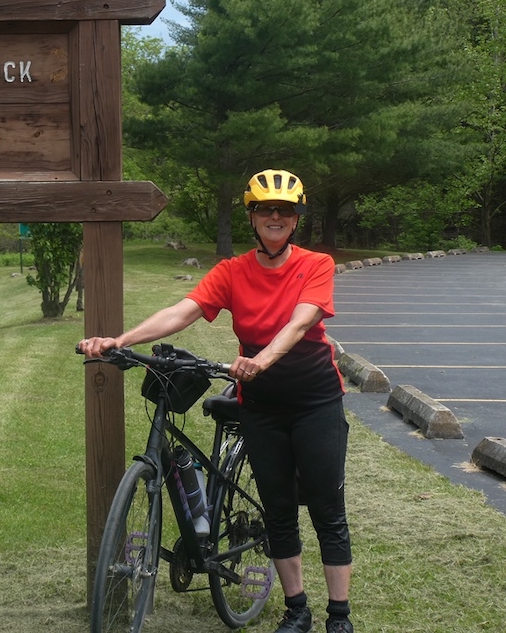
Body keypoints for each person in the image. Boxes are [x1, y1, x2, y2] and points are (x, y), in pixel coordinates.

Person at [78, 169, 353, 633]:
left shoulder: (315, 264)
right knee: (278, 510)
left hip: (315, 402)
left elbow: (301, 322)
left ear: (296, 219)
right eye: (265, 209)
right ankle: (297, 610)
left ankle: (339, 617)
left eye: (285, 210)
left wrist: (261, 359)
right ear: (252, 216)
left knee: (327, 510)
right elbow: (182, 312)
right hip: (261, 407)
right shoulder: (232, 271)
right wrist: (119, 340)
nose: (275, 217)